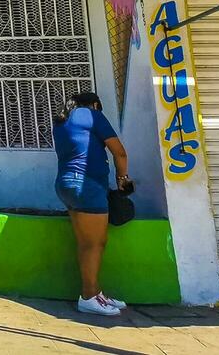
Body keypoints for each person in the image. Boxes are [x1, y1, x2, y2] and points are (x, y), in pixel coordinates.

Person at [52, 92, 133, 316]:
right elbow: (120, 152)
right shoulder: (92, 115)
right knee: (95, 244)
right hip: (87, 186)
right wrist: (123, 180)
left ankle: (96, 293)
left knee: (86, 243)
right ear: (95, 104)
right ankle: (88, 296)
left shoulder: (62, 121)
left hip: (66, 184)